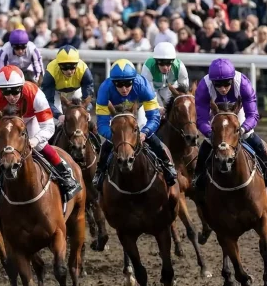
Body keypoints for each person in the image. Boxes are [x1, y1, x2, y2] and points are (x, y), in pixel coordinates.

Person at [0, 65, 82, 204]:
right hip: (8, 127)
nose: (11, 96)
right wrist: (2, 145)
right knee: (0, 153)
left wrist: (34, 140)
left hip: (30, 121)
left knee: (41, 145)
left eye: (15, 91)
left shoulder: (35, 93)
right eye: (6, 92)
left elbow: (48, 126)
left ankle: (66, 177)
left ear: (22, 87)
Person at [192, 58, 267, 194]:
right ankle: (198, 174)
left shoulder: (242, 83)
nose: (223, 88)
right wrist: (210, 133)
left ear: (232, 80)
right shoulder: (204, 87)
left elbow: (253, 115)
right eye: (218, 85)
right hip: (215, 114)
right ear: (212, 82)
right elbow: (201, 119)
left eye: (227, 84)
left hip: (237, 113)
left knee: (248, 134)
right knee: (208, 141)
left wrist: (243, 128)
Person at [94, 59, 178, 189]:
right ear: (113, 82)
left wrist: (145, 132)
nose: (124, 88)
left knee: (152, 138)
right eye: (119, 84)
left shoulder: (142, 84)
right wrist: (116, 137)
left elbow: (154, 117)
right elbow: (102, 124)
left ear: (133, 80)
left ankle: (167, 165)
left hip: (138, 111)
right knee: (107, 145)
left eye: (128, 84)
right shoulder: (105, 89)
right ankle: (100, 171)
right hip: (116, 116)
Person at [41, 45, 94, 119]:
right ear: (58, 65)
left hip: (76, 91)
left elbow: (88, 98)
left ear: (77, 64)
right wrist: (58, 116)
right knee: (56, 119)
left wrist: (86, 109)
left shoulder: (84, 70)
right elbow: (47, 100)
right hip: (56, 92)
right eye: (64, 67)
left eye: (72, 66)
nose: (69, 71)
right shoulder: (51, 72)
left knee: (83, 116)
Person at [140, 41, 190, 113]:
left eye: (169, 63)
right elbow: (149, 91)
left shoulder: (180, 66)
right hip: (154, 89)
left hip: (171, 87)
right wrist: (158, 107)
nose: (165, 68)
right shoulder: (148, 66)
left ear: (173, 61)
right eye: (161, 63)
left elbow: (184, 90)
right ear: (156, 61)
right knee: (155, 108)